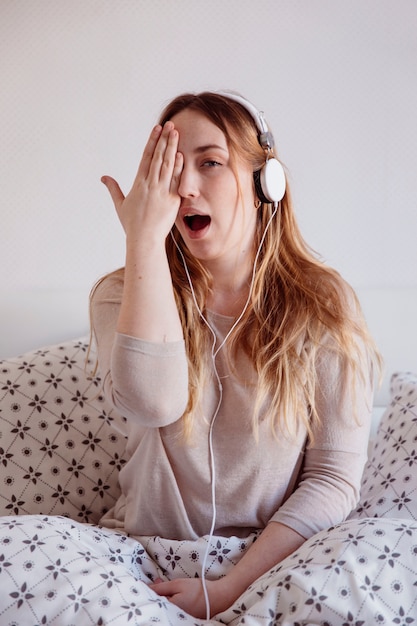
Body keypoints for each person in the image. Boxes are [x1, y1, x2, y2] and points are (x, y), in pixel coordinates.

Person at [89, 90, 381, 619]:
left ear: (264, 182)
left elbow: (333, 480)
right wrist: (143, 243)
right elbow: (153, 404)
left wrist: (231, 588)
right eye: (173, 168)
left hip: (272, 561)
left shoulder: (324, 304)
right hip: (141, 561)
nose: (185, 186)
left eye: (210, 163)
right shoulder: (119, 294)